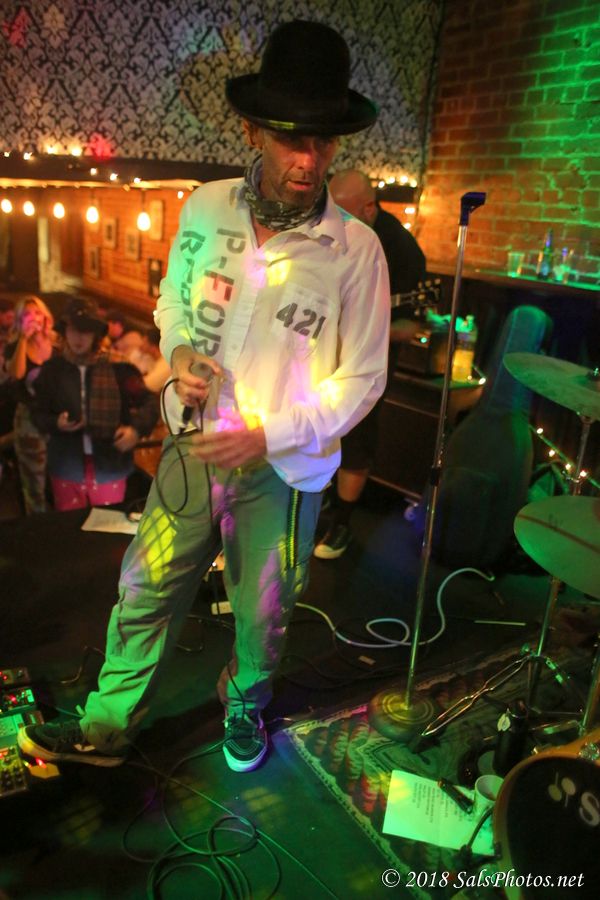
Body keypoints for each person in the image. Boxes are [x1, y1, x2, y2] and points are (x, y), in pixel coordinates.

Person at [19, 20, 390, 773]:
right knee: (146, 584)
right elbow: (173, 301)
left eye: (323, 141)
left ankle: (246, 703)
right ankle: (107, 726)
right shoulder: (205, 206)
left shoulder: (356, 250)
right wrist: (181, 349)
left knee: (265, 611)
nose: (308, 159)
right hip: (192, 445)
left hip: (284, 470)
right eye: (290, 138)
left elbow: (364, 380)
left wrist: (269, 433)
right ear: (253, 131)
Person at [314, 169, 427, 558]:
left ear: (369, 207)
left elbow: (409, 326)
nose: (334, 220)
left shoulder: (402, 250)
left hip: (367, 361)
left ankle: (342, 524)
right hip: (322, 353)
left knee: (355, 437)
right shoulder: (327, 231)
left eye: (343, 212)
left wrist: (359, 327)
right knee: (314, 426)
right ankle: (318, 502)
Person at [31, 298, 158, 511]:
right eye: (73, 330)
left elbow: (150, 402)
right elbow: (37, 413)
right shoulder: (52, 371)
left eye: (86, 331)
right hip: (66, 465)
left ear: (95, 335)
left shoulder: (119, 369)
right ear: (65, 331)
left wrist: (135, 430)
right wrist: (55, 422)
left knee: (107, 525)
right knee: (71, 525)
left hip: (110, 465)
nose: (79, 337)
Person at [2, 295, 57, 513]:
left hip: (57, 419)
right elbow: (16, 374)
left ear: (45, 317)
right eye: (26, 315)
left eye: (36, 312)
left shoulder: (58, 343)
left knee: (58, 480)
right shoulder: (15, 346)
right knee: (34, 485)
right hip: (29, 421)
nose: (33, 317)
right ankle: (38, 525)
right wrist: (24, 340)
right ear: (19, 321)